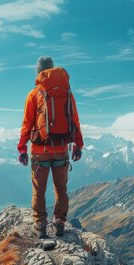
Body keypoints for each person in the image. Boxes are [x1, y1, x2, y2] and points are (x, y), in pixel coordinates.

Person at [17, 56, 84, 238]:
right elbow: (75, 120)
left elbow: (27, 123)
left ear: (38, 71)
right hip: (62, 149)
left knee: (39, 190)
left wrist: (22, 147)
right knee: (60, 188)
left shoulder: (33, 95)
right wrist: (78, 145)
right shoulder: (67, 94)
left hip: (40, 152)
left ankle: (40, 225)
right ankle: (60, 222)